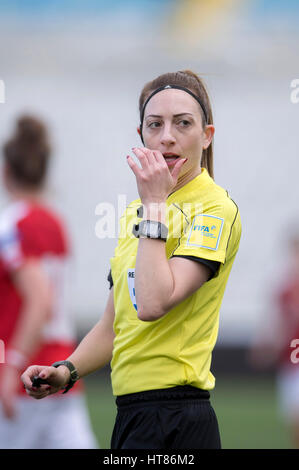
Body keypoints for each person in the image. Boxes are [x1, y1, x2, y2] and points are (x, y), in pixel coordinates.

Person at [22, 70, 242, 449]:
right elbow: (113, 324)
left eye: (183, 123)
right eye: (154, 124)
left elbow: (153, 303)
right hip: (132, 415)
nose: (167, 136)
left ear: (207, 137)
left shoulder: (214, 209)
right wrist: (67, 369)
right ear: (140, 135)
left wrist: (155, 204)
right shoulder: (139, 213)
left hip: (177, 417)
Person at [0, 115, 98, 449]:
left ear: (6, 171)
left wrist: (9, 368)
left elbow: (38, 300)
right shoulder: (56, 223)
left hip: (24, 376)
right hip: (62, 370)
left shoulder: (11, 225)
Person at [249, 234, 299, 448]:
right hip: (292, 361)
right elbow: (278, 323)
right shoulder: (285, 289)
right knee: (293, 419)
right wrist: (265, 346)